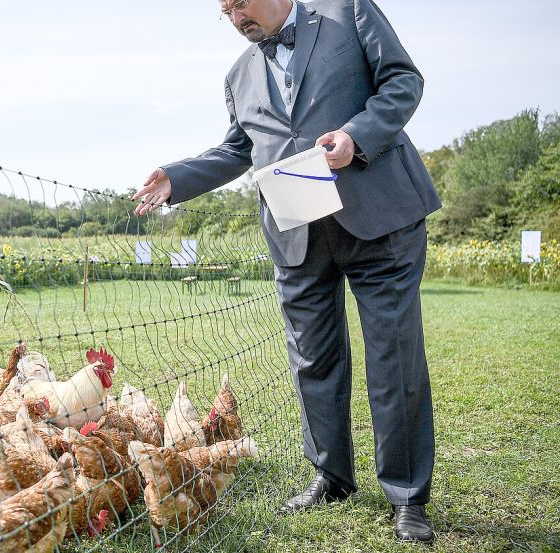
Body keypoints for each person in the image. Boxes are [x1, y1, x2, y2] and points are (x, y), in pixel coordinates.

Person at [131, 0, 441, 543]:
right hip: (297, 233)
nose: (236, 20)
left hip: (381, 220)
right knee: (312, 362)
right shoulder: (238, 74)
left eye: (241, 5)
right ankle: (331, 477)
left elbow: (402, 81)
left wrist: (357, 136)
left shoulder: (348, 12)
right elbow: (237, 150)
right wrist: (176, 179)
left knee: (394, 360)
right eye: (225, 12)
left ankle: (408, 497)